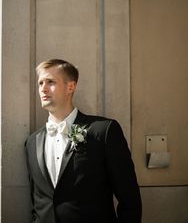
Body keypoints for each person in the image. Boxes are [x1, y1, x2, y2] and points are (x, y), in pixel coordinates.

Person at [25, 59, 142, 223]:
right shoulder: (31, 142)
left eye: (50, 82)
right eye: (40, 83)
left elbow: (129, 197)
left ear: (70, 87)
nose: (43, 89)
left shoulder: (103, 131)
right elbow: (36, 202)